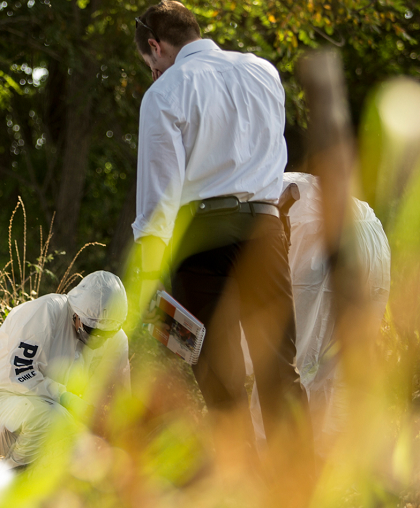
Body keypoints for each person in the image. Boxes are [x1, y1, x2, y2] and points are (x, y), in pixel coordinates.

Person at [133, 0, 313, 475]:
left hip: (201, 241)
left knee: (217, 375)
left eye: (151, 62)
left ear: (155, 46)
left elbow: (160, 190)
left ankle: (242, 486)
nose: (153, 71)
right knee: (279, 366)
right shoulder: (261, 70)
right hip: (265, 230)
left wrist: (150, 268)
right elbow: (272, 150)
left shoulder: (165, 92)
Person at [245, 173, 391, 454]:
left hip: (312, 233)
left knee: (288, 362)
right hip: (372, 235)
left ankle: (279, 463)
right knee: (341, 365)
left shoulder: (246, 196)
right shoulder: (267, 176)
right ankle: (331, 464)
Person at [0, 271, 130, 467]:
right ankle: (11, 480)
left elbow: (122, 395)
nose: (100, 339)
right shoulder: (46, 311)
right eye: (92, 330)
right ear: (76, 313)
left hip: (64, 419)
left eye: (108, 333)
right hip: (0, 408)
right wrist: (68, 399)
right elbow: (20, 373)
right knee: (53, 419)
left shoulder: (117, 339)